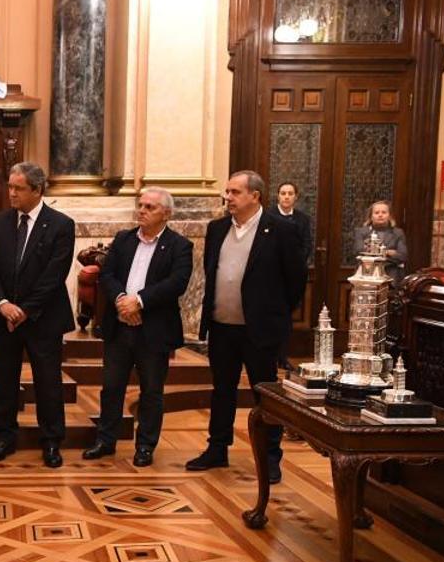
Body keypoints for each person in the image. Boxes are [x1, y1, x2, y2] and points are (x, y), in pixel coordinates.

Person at [190, 170, 306, 484]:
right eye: (227, 191)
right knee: (222, 390)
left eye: (234, 192)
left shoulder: (281, 230)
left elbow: (295, 279)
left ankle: (270, 458)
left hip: (260, 330)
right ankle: (217, 448)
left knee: (265, 394)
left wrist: (274, 314)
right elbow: (212, 271)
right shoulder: (217, 229)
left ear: (255, 196)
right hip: (222, 327)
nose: (227, 197)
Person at [82, 187, 193, 468]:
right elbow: (107, 275)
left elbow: (176, 283)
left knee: (151, 391)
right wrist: (122, 300)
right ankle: (105, 440)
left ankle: (145, 445)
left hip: (153, 330)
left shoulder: (180, 246)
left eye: (149, 207)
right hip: (119, 326)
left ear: (166, 213)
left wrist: (139, 302)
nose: (141, 210)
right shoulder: (124, 239)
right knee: (111, 387)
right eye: (140, 205)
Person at [0, 162, 76, 468]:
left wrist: (25, 310)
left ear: (37, 190)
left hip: (43, 318)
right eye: (10, 187)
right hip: (4, 317)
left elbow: (54, 274)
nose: (11, 193)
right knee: (4, 380)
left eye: (18, 188)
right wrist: (3, 304)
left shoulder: (61, 225)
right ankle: (4, 436)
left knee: (48, 382)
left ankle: (51, 440)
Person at [270, 181, 313, 373]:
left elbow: (306, 245)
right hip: (272, 275)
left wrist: (294, 265)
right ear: (277, 196)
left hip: (292, 277)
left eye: (290, 193)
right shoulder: (269, 216)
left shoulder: (303, 219)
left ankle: (282, 356)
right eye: (283, 193)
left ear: (296, 197)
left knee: (286, 318)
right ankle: (269, 356)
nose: (286, 196)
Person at [354, 200, 407, 283]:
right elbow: (359, 251)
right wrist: (388, 253)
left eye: (384, 212)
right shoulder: (361, 232)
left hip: (392, 277)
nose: (380, 215)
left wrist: (374, 252)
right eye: (376, 213)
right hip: (366, 276)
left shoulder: (398, 233)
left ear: (389, 216)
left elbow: (402, 256)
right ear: (371, 216)